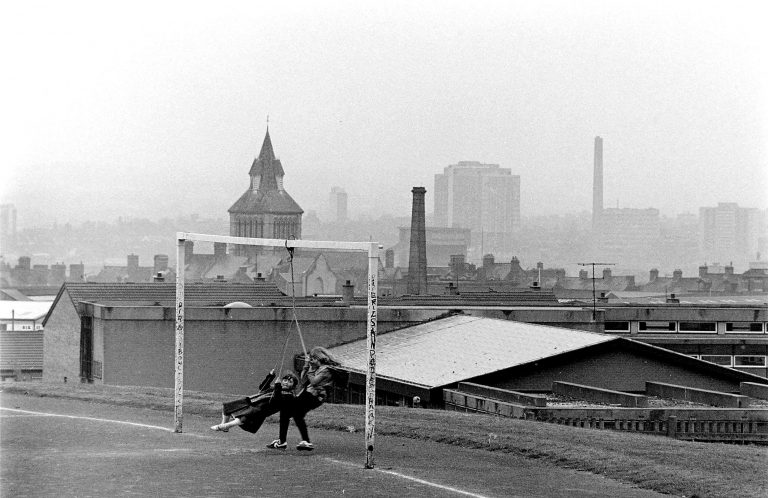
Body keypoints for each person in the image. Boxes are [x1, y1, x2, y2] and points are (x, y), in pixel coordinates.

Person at [267, 346, 341, 451]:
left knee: (288, 411)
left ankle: (289, 441)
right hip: (307, 394)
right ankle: (290, 441)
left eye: (312, 359)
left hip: (315, 396)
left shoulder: (326, 370)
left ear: (318, 358)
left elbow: (314, 382)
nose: (311, 360)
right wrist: (306, 366)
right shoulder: (316, 368)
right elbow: (303, 379)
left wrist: (310, 370)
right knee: (291, 414)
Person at [211, 370, 298, 434]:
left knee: (243, 418)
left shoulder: (289, 395)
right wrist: (270, 376)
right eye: (285, 380)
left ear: (293, 386)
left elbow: (277, 399)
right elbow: (262, 388)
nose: (286, 383)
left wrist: (278, 386)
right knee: (227, 407)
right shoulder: (275, 387)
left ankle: (224, 426)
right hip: (253, 402)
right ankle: (224, 425)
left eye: (290, 382)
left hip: (261, 409)